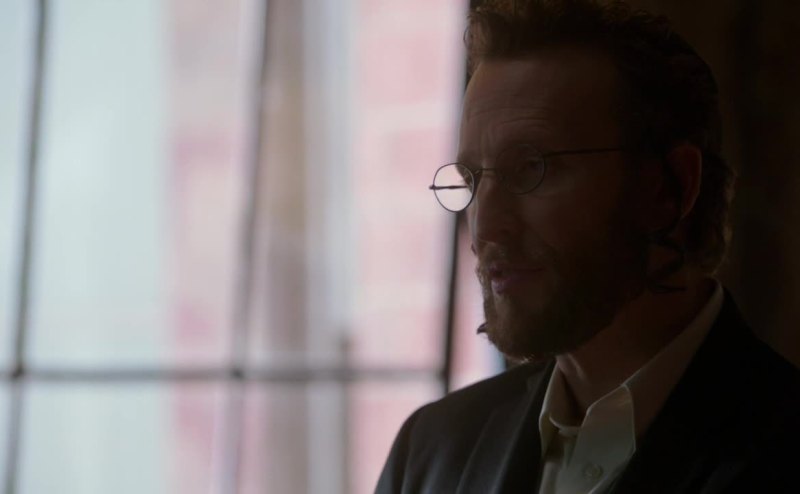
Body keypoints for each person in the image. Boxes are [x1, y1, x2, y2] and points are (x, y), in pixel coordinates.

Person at [375, 1, 800, 493]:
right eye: (471, 178)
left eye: (531, 168)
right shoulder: (430, 453)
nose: (485, 226)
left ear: (670, 188)